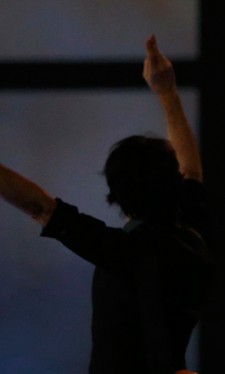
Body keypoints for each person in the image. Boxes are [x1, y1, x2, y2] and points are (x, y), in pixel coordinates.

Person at [0, 35, 210, 374]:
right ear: (172, 181)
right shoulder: (191, 237)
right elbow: (192, 172)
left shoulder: (124, 252)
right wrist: (166, 92)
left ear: (115, 190)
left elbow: (39, 207)